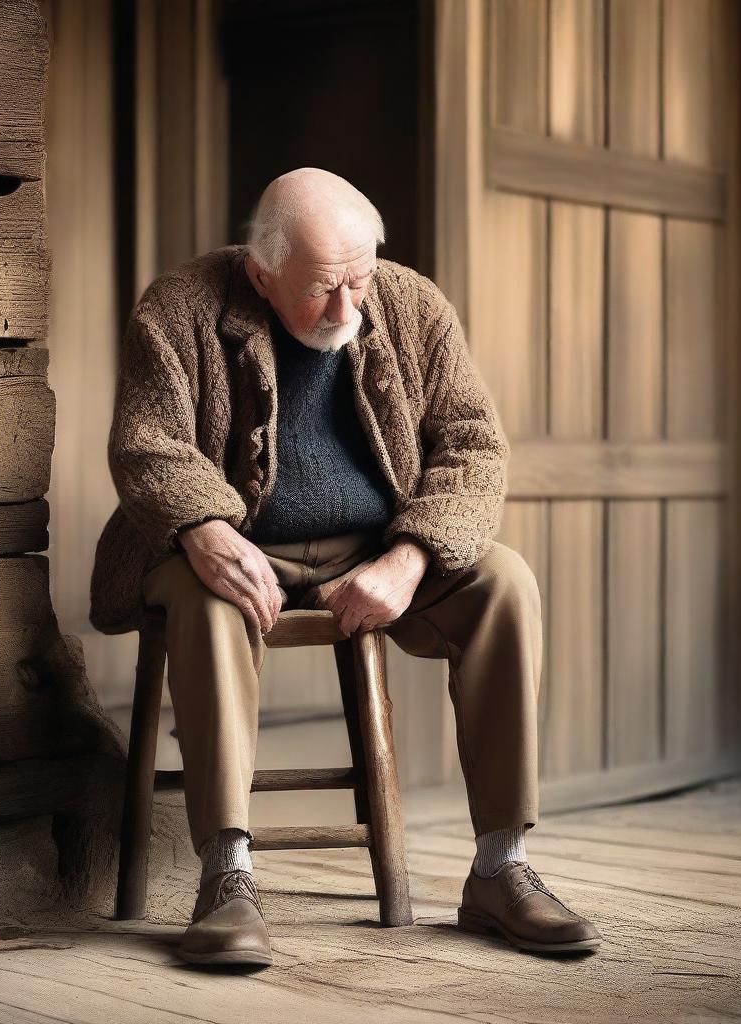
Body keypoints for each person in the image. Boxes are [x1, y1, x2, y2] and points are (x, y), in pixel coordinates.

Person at [89, 167, 602, 968]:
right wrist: (201, 525)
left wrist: (410, 556)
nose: (347, 309)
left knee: (504, 580)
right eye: (323, 290)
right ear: (260, 274)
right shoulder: (179, 306)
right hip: (228, 540)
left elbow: (475, 448)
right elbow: (146, 443)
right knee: (210, 595)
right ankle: (228, 876)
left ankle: (501, 867)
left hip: (372, 546)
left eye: (360, 280)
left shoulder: (413, 303)